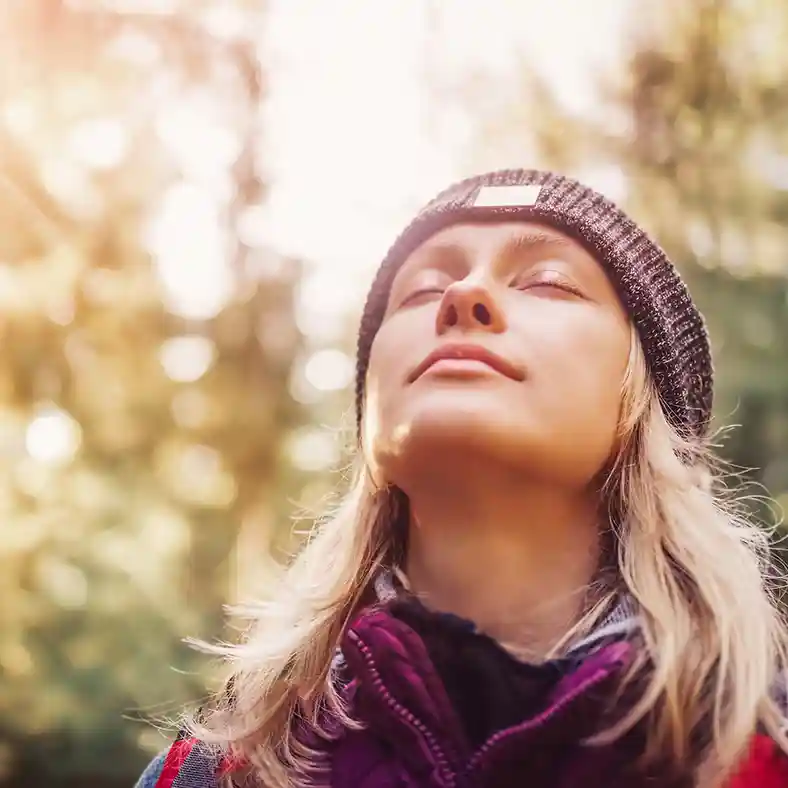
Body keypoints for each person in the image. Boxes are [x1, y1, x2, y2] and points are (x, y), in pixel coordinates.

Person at [135, 169, 788, 788]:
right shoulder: (212, 776)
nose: (461, 296)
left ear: (644, 400)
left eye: (549, 282)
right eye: (419, 291)